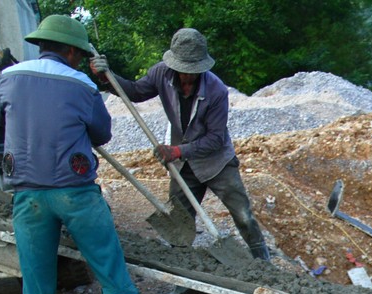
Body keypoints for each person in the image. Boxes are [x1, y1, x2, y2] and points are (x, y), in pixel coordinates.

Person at [0, 14, 172, 294]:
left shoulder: (10, 77)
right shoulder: (81, 85)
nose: (81, 59)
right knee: (105, 254)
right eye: (80, 54)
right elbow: (102, 133)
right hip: (74, 187)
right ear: (70, 51)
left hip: (28, 190)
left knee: (34, 264)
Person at [90, 28, 270, 260]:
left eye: (192, 72)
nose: (186, 77)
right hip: (184, 165)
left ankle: (263, 262)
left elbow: (215, 139)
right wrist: (108, 77)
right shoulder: (161, 74)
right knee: (179, 219)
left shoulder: (216, 91)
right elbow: (134, 92)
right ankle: (184, 265)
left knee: (243, 215)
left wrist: (176, 150)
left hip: (216, 163)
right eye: (182, 71)